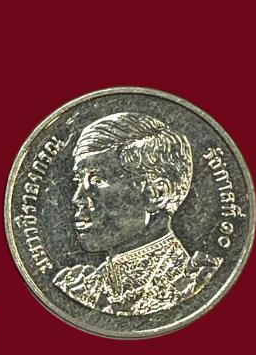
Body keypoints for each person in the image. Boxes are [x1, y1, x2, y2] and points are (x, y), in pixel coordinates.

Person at [53, 112, 221, 316]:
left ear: (156, 194)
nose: (77, 198)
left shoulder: (196, 283)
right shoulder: (77, 286)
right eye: (78, 180)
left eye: (98, 180)